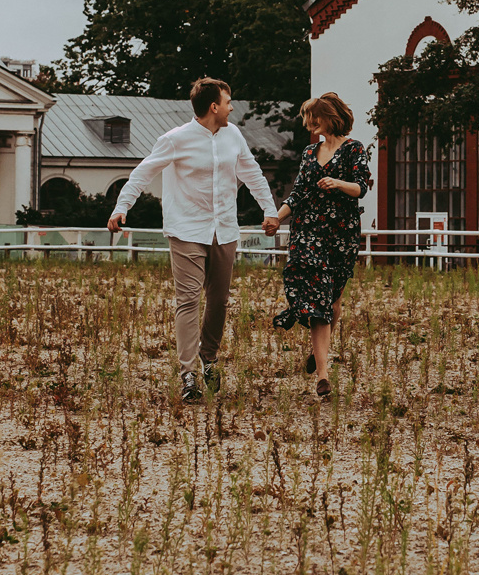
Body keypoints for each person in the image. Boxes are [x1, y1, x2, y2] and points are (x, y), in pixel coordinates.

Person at [106, 77, 279, 405]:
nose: (231, 107)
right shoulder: (174, 140)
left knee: (219, 300)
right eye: (228, 102)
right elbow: (143, 172)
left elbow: (252, 173)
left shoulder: (234, 135)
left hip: (224, 229)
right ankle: (189, 373)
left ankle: (209, 357)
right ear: (214, 106)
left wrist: (270, 210)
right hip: (186, 229)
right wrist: (121, 206)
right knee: (187, 300)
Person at [264, 92, 371, 397]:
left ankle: (318, 352)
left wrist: (337, 183)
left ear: (330, 116)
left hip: (341, 233)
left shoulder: (353, 149)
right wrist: (276, 218)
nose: (310, 123)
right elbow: (298, 194)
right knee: (317, 300)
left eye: (315, 117)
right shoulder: (310, 153)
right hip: (308, 231)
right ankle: (323, 375)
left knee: (333, 302)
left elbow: (361, 188)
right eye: (308, 118)